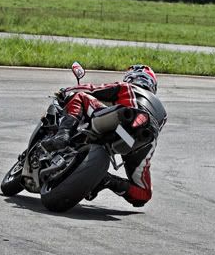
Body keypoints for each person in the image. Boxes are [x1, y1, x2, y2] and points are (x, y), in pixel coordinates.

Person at [42, 64, 166, 207]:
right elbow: (153, 133)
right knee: (143, 194)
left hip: (121, 121)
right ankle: (108, 180)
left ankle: (62, 135)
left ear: (133, 77)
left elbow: (92, 90)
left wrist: (65, 91)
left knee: (80, 96)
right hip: (136, 142)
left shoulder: (128, 87)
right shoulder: (162, 112)